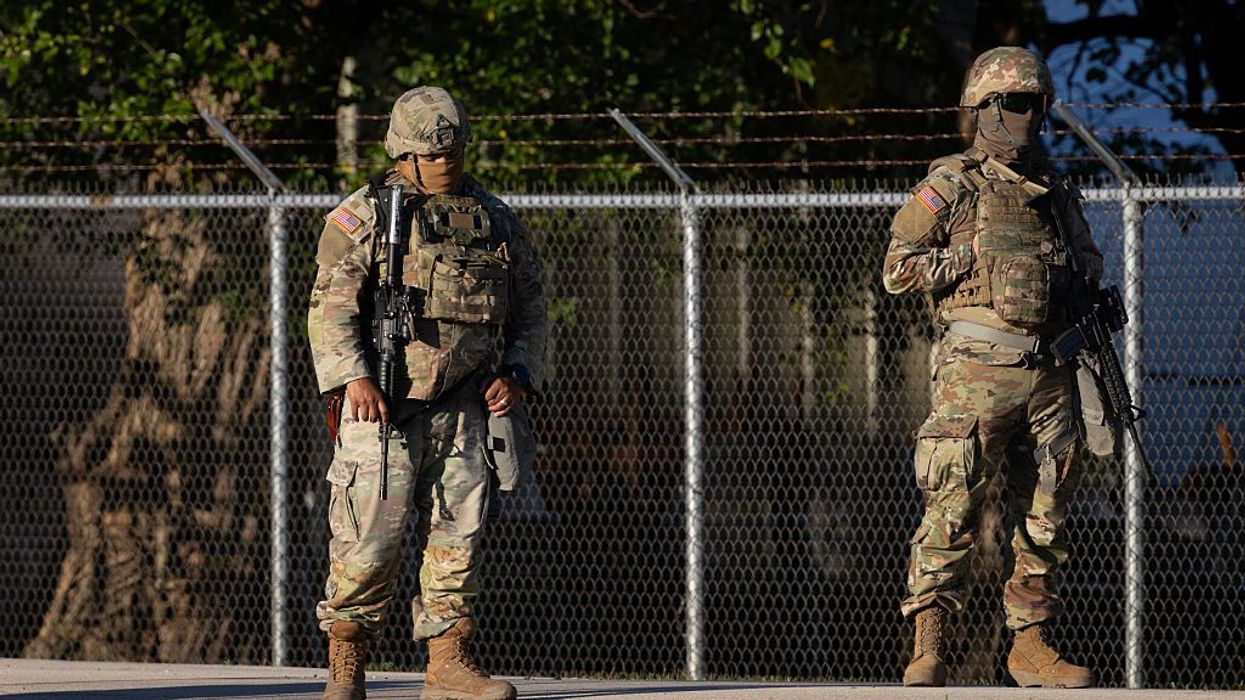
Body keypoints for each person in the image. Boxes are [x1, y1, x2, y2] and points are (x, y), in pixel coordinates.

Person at [308, 85, 546, 700]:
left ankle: (447, 664)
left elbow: (530, 308)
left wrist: (516, 374)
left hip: (466, 405)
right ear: (405, 154)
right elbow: (330, 306)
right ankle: (346, 665)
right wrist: (354, 378)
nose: (446, 163)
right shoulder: (367, 215)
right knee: (368, 542)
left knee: (457, 541)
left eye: (454, 151)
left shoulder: (494, 219)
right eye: (434, 154)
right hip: (383, 407)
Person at [882, 47, 1104, 688]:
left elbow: (1088, 261)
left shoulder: (1055, 191)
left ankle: (1030, 647)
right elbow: (897, 268)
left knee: (1046, 514)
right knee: (952, 503)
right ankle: (929, 644)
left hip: (1051, 369)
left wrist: (1074, 285)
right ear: (984, 108)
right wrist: (970, 258)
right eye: (1015, 103)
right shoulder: (953, 184)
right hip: (976, 371)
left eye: (1037, 103)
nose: (1029, 115)